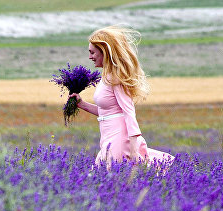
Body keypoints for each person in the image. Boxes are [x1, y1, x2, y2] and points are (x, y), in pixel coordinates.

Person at [69, 26, 173, 170]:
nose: (90, 57)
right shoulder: (106, 77)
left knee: (107, 177)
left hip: (119, 138)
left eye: (92, 52)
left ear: (104, 51)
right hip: (108, 136)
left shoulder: (116, 78)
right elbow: (108, 112)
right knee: (107, 178)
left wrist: (134, 149)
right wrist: (82, 104)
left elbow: (129, 112)